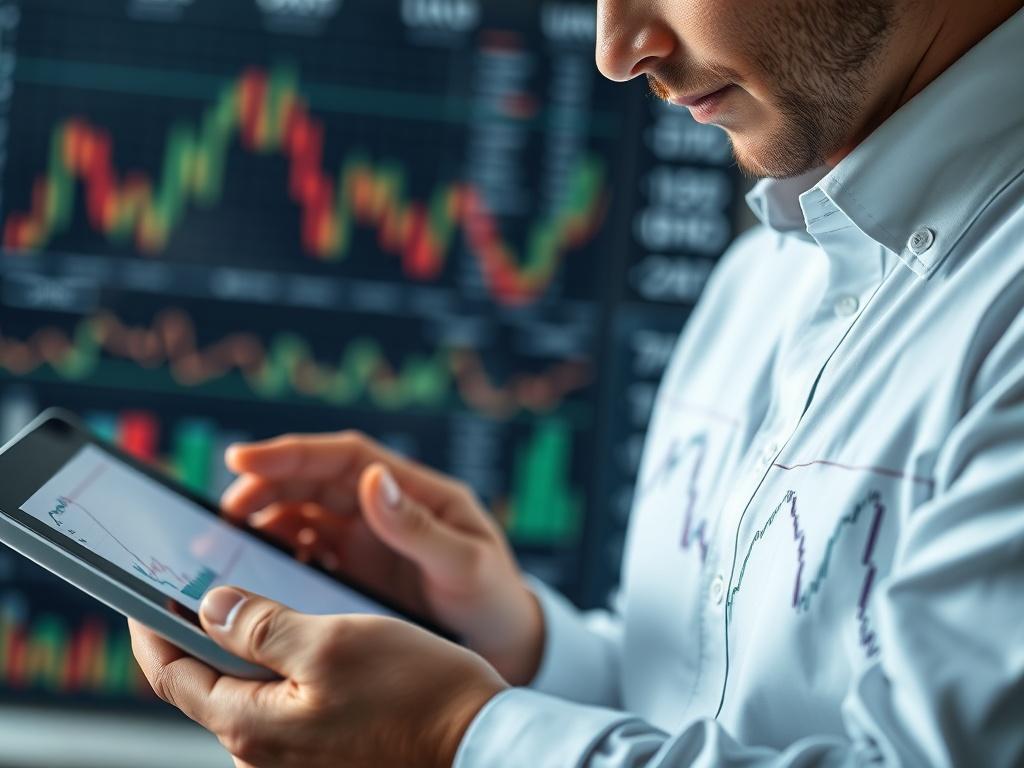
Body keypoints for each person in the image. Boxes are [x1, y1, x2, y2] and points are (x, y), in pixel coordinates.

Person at [129, 0, 1024, 765]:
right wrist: (514, 647)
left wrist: (456, 737)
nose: (616, 50)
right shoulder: (764, 273)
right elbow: (696, 705)